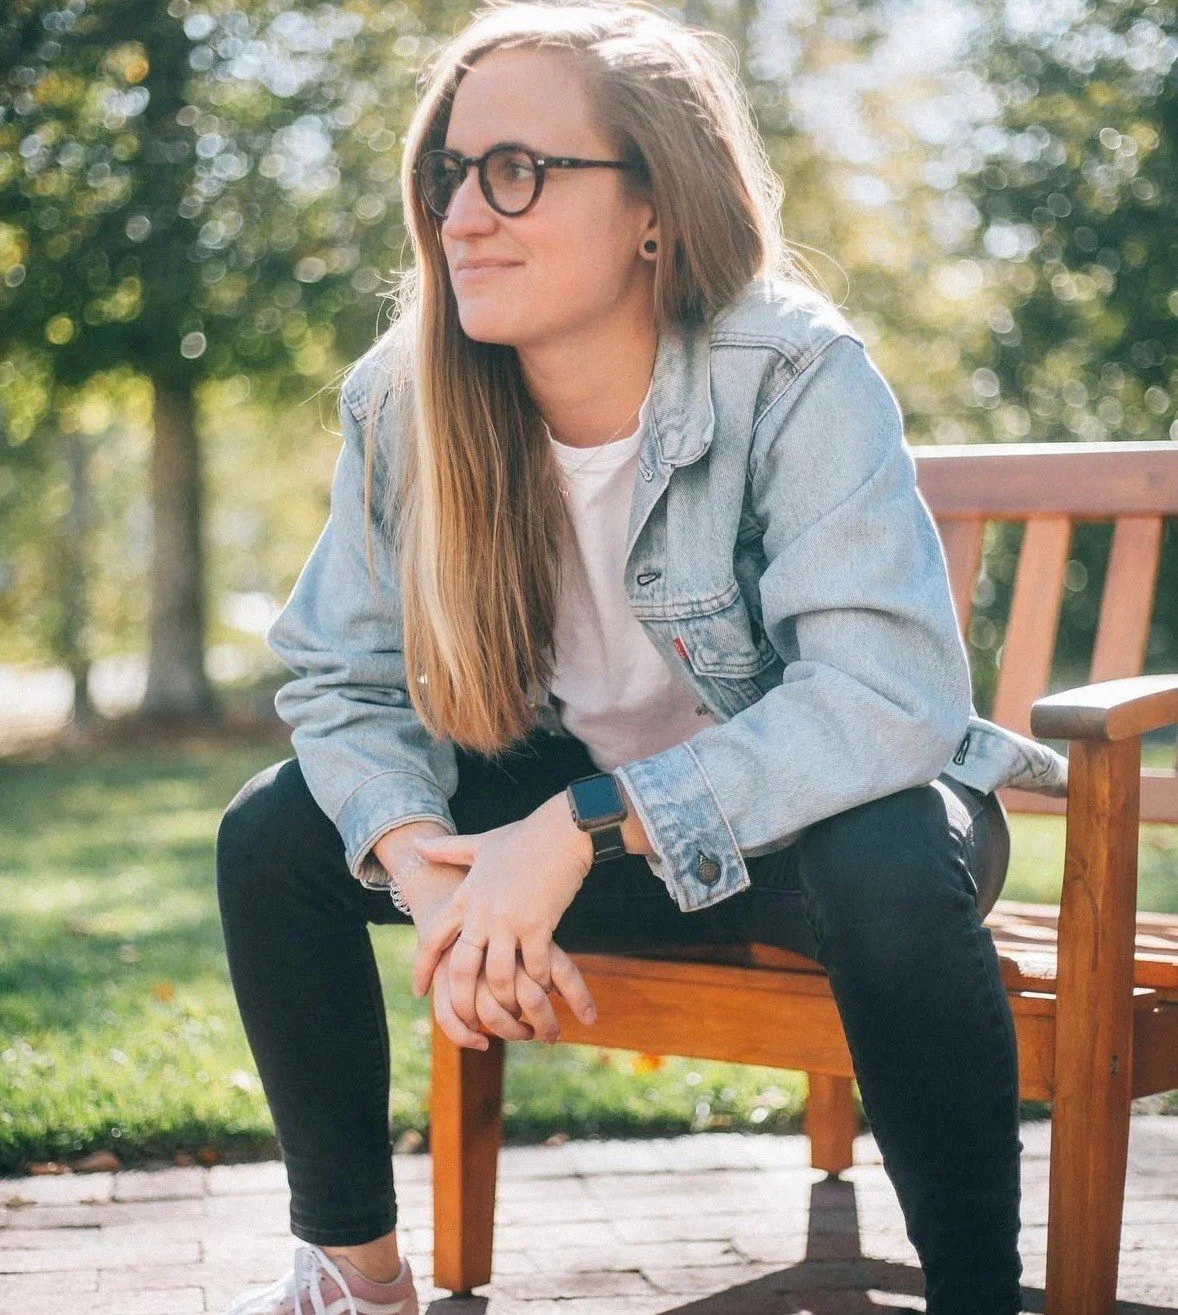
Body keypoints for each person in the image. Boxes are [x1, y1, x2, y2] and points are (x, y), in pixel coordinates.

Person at [215, 2, 1069, 1311]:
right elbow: (345, 679)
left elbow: (886, 697)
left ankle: (976, 1296)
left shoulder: (791, 371)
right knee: (275, 834)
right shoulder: (406, 395)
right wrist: (429, 877)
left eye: (516, 171)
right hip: (577, 850)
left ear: (654, 206)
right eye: (449, 172)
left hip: (807, 843)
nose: (461, 216)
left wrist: (578, 826)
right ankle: (356, 1278)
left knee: (887, 851)